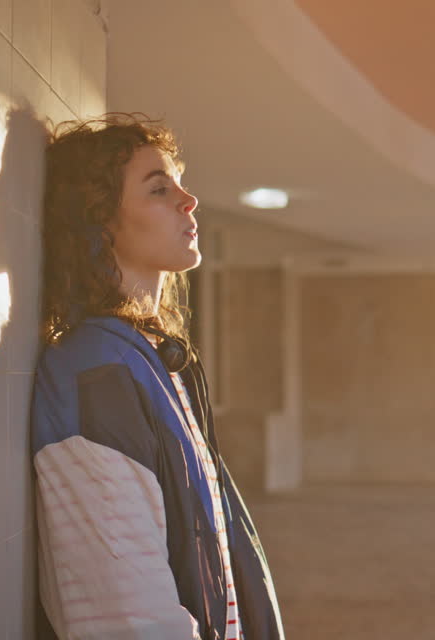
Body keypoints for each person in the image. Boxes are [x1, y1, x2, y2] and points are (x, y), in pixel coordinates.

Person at [30, 113, 283, 640]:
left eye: (181, 184)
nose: (189, 201)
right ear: (100, 222)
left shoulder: (145, 357)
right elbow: (126, 617)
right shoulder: (95, 371)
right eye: (159, 189)